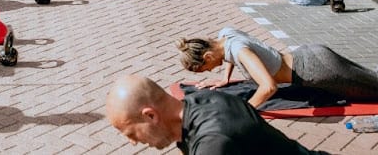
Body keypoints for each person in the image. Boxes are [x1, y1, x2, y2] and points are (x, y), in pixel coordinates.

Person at [105, 74, 328, 154]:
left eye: (131, 134)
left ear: (150, 116)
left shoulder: (214, 141)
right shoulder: (197, 102)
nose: (133, 143)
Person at [177, 27, 378, 108]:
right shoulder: (225, 35)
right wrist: (225, 79)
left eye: (206, 67)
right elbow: (228, 54)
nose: (210, 70)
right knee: (370, 77)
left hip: (319, 70)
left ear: (208, 56)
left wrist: (244, 111)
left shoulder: (239, 50)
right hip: (311, 54)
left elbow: (269, 87)